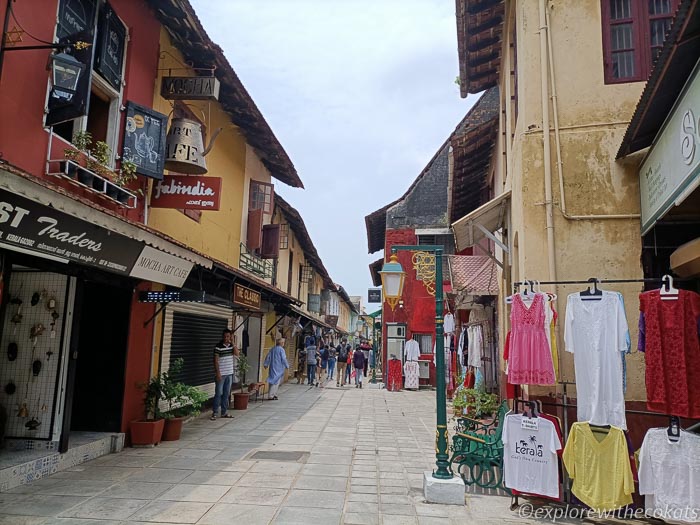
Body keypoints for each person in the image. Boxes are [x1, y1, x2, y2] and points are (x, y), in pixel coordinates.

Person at [212, 328, 237, 420]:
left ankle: (224, 412)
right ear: (222, 337)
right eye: (225, 336)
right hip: (221, 374)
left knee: (226, 394)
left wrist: (233, 343)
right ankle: (215, 412)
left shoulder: (231, 346)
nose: (226, 338)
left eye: (228, 336)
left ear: (230, 337)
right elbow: (216, 361)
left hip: (229, 373)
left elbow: (237, 354)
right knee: (219, 393)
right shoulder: (218, 347)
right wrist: (218, 372)